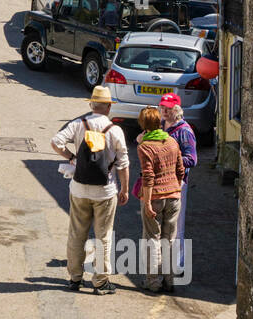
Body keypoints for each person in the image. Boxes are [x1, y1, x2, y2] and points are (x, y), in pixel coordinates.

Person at [52, 85, 131, 295]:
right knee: (103, 236)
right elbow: (123, 163)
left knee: (77, 234)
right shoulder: (115, 130)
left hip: (79, 188)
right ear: (108, 107)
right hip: (105, 191)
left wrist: (72, 158)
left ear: (91, 105)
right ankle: (100, 281)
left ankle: (75, 277)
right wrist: (124, 189)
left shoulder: (78, 124)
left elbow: (55, 142)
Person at [135, 105, 186, 293]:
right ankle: (169, 280)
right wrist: (175, 188)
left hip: (155, 197)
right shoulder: (172, 141)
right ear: (159, 122)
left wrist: (147, 202)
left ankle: (153, 282)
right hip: (174, 197)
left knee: (152, 239)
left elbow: (148, 177)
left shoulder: (145, 147)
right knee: (169, 239)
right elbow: (180, 170)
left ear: (143, 125)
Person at [158, 93, 197, 272]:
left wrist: (170, 159)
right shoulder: (160, 125)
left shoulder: (185, 131)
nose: (164, 111)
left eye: (168, 109)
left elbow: (192, 159)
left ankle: (177, 264)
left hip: (177, 183)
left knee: (176, 224)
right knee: (162, 223)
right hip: (161, 181)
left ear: (177, 110)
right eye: (162, 108)